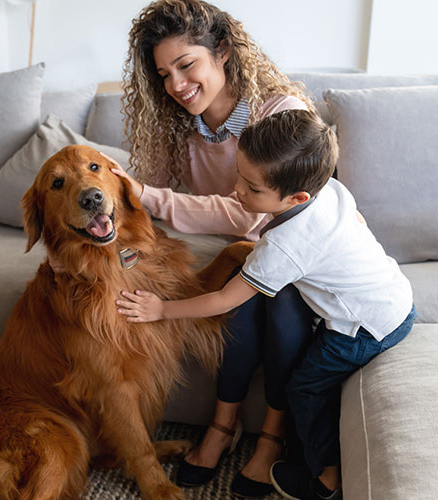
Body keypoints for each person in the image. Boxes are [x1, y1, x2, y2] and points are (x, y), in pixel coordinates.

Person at [116, 109, 416, 500]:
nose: (238, 190)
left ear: (297, 198)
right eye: (239, 175)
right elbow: (354, 221)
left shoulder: (284, 247)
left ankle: (326, 478)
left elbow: (225, 298)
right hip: (395, 295)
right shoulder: (333, 191)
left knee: (306, 389)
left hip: (364, 326)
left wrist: (161, 309)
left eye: (252, 188)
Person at [104, 0, 318, 496]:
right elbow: (142, 215)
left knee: (281, 307)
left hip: (293, 256)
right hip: (239, 256)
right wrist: (126, 260)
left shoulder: (279, 113)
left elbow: (252, 214)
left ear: (222, 52)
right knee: (233, 300)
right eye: (163, 74)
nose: (177, 86)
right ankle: (223, 427)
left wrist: (151, 196)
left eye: (186, 65)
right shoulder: (174, 127)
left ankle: (270, 439)